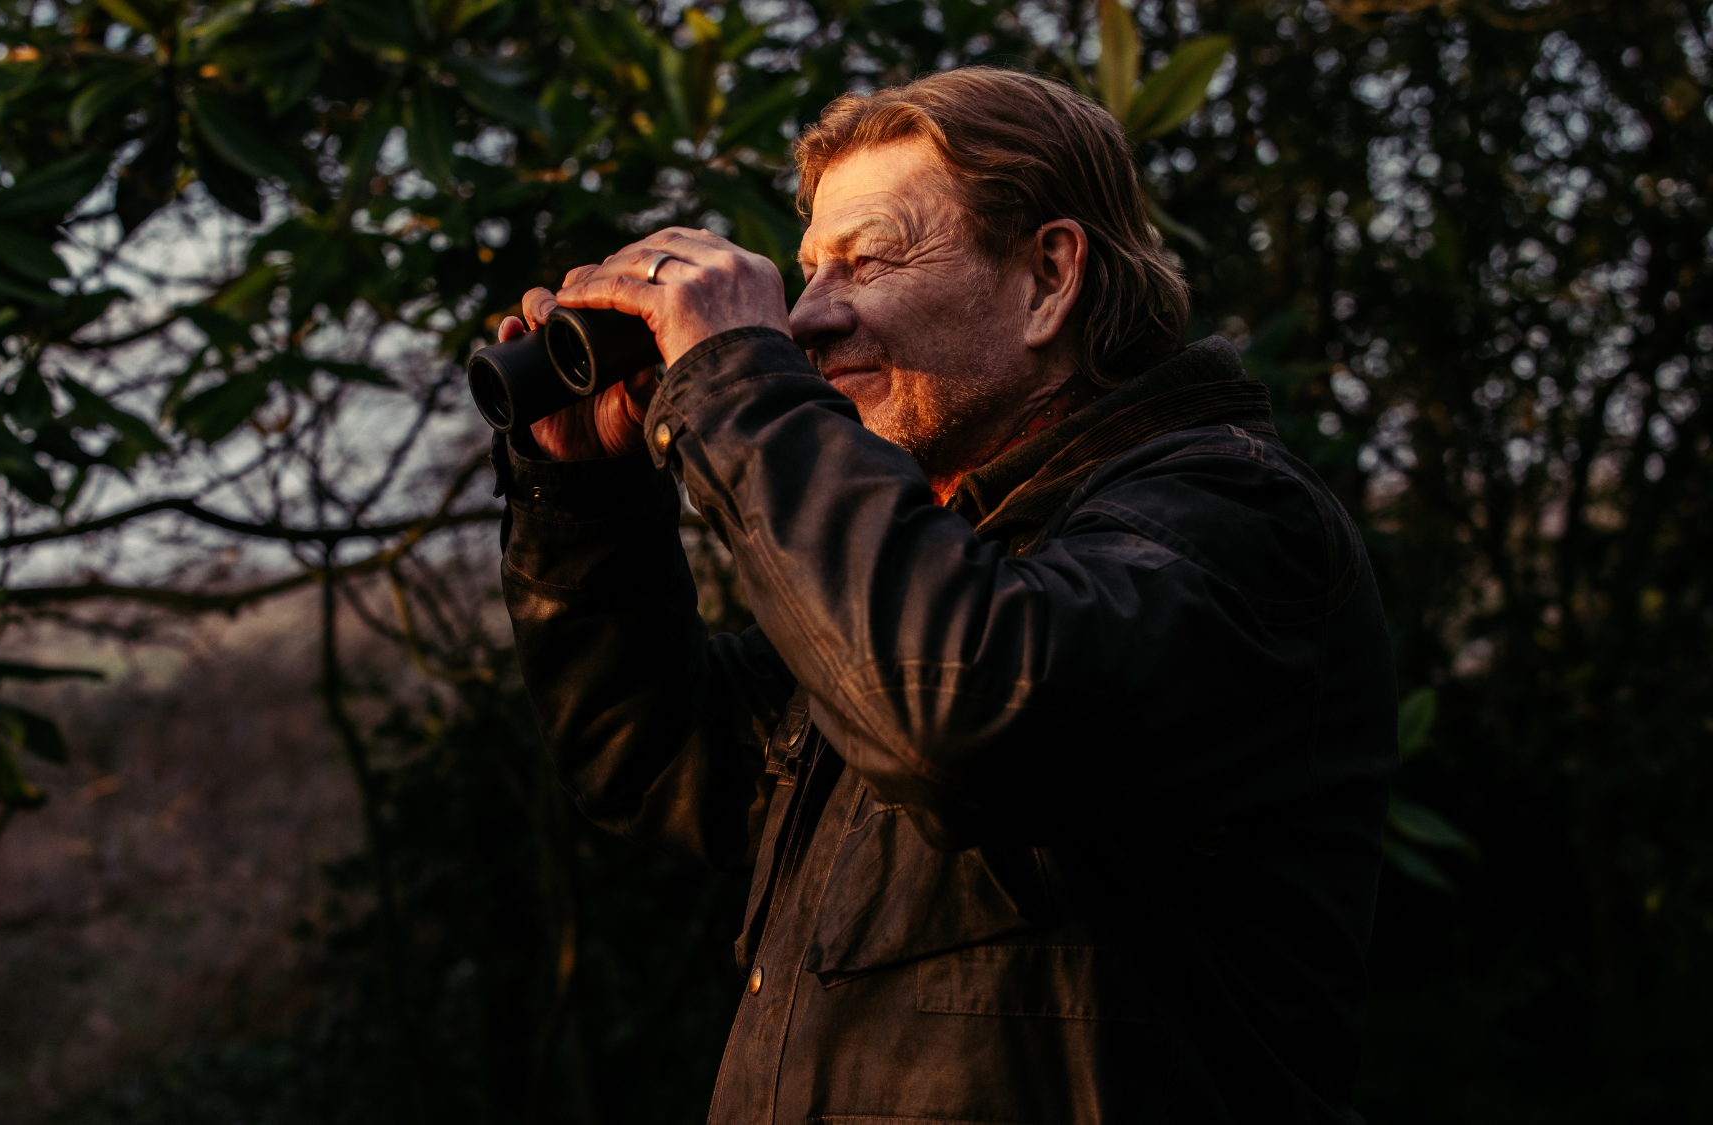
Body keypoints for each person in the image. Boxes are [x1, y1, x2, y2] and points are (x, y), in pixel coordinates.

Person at [492, 66, 1396, 1125]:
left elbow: (963, 712)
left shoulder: (1232, 518)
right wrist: (584, 496)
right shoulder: (915, 566)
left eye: (867, 258)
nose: (809, 318)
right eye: (804, 272)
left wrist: (737, 381)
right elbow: (652, 758)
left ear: (1049, 278)